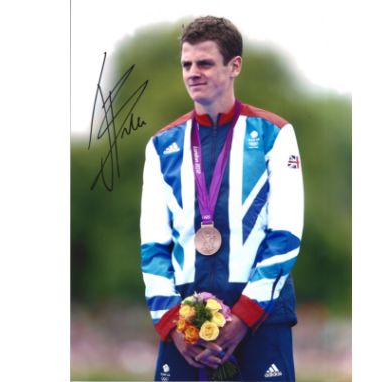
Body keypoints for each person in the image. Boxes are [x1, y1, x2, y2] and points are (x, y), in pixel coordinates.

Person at [140, 16, 304, 381]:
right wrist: (171, 324)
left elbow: (286, 235)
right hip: (186, 326)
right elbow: (152, 245)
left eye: (205, 63)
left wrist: (244, 317)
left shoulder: (275, 135)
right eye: (186, 64)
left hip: (261, 320)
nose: (193, 72)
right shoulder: (161, 145)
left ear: (235, 66)